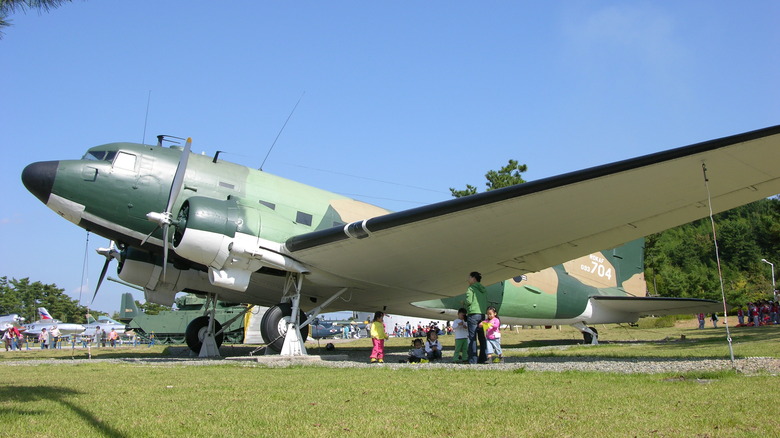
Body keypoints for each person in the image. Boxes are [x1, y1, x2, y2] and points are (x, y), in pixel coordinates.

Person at [464, 271, 488, 364]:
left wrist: (464, 303)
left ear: (474, 278)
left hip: (473, 314)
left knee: (472, 338)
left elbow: (469, 301)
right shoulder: (483, 289)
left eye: (469, 278)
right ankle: (483, 358)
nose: (468, 280)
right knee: (482, 337)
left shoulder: (471, 288)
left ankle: (473, 360)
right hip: (482, 314)